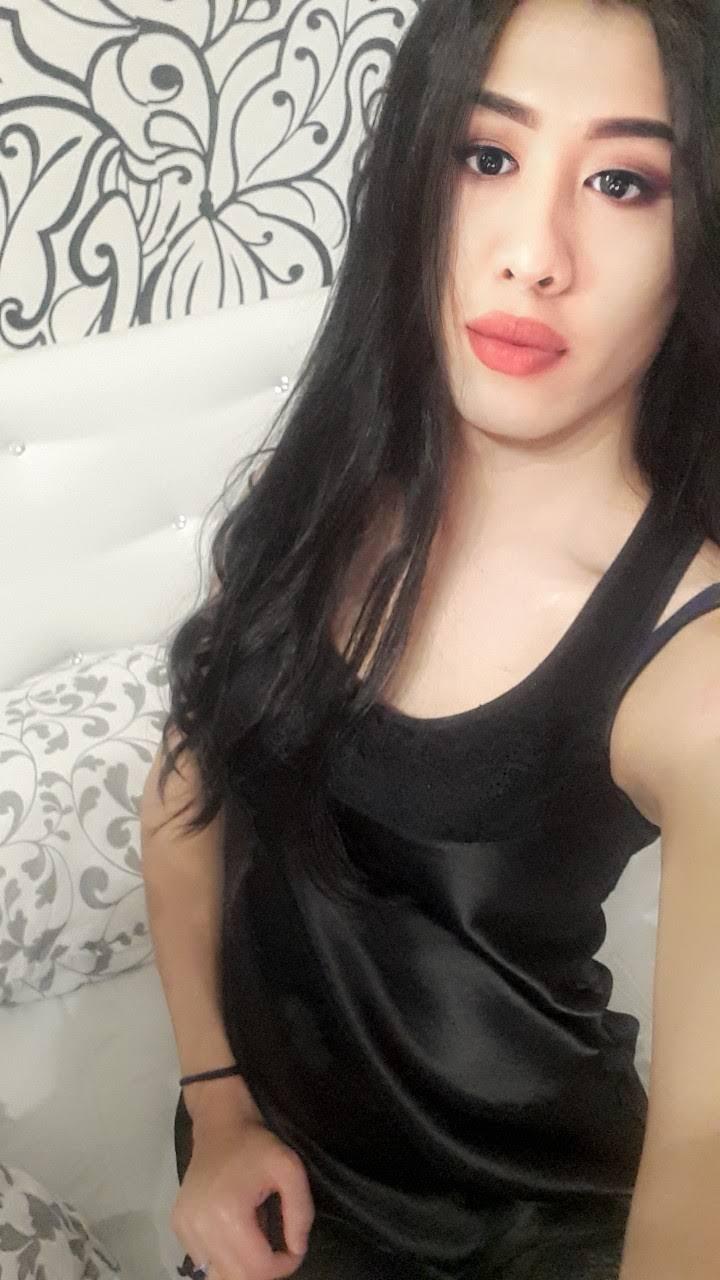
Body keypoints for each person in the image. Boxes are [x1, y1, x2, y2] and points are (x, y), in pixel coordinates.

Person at [140, 0, 720, 1277]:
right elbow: (187, 789)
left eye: (624, 182)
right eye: (487, 155)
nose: (534, 254)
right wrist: (218, 1105)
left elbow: (706, 1148)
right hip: (266, 1195)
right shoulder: (323, 493)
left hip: (525, 1226)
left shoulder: (695, 659)